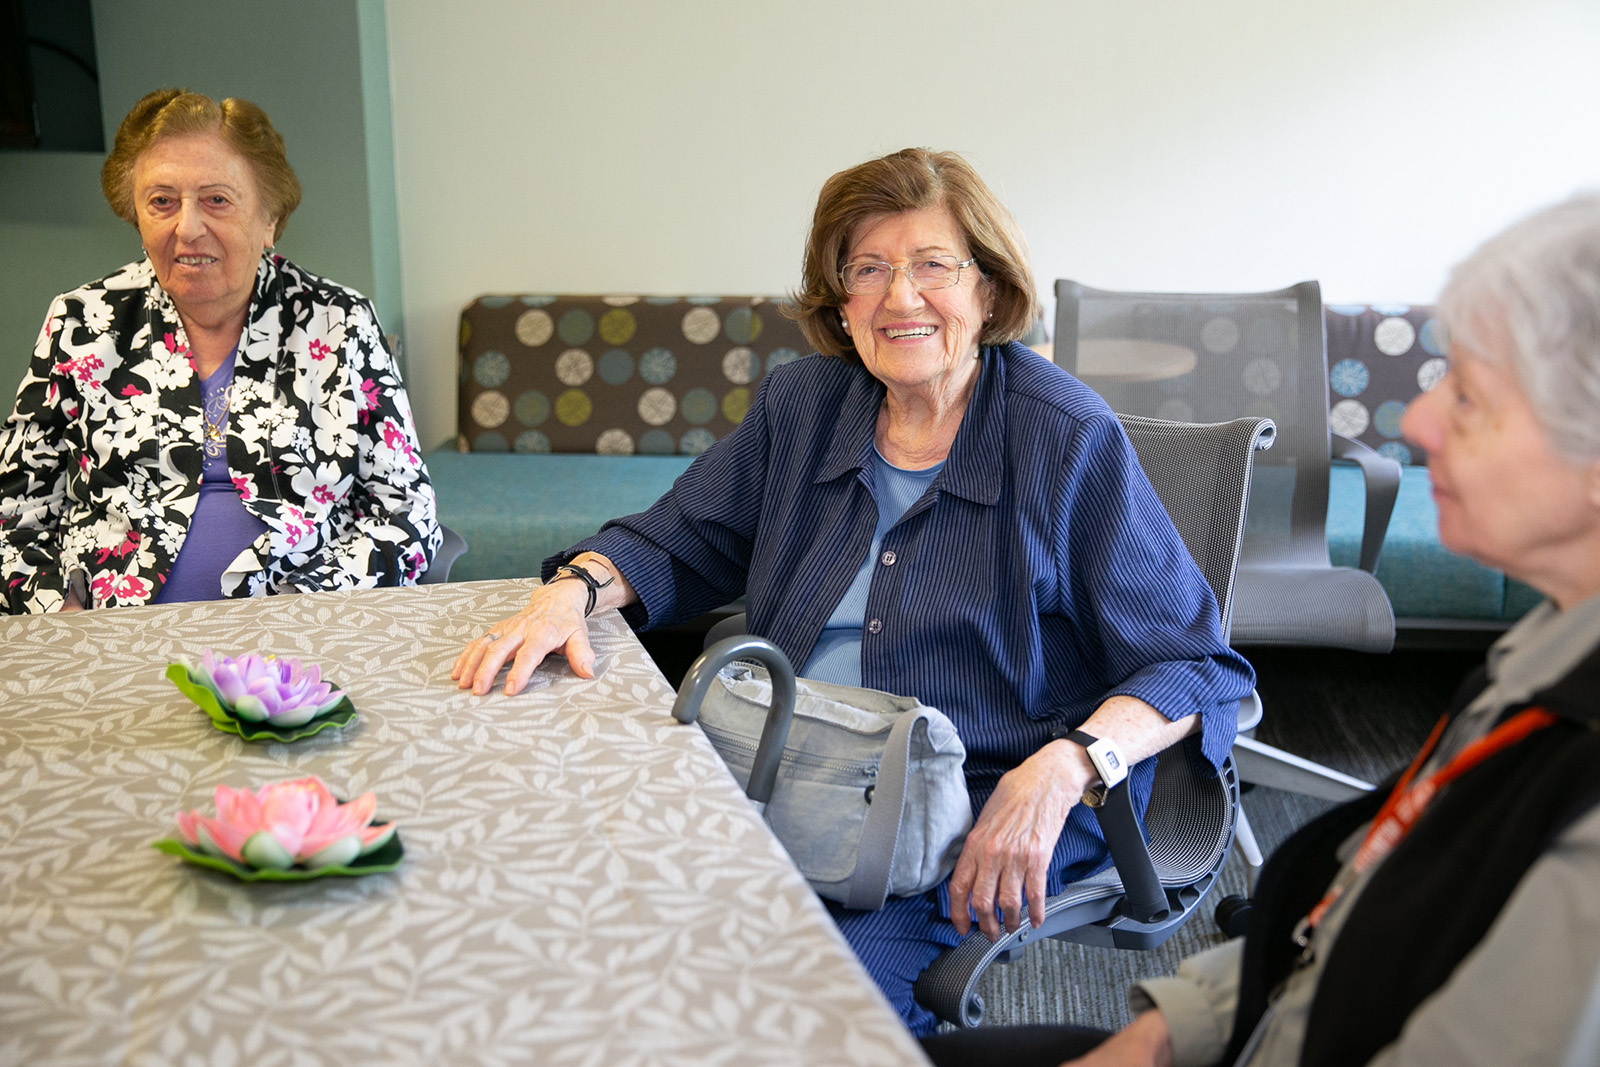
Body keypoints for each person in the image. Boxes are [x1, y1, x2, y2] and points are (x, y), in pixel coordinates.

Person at [452, 147, 1254, 1035]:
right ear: (840, 301)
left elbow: (1197, 665)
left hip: (969, 800)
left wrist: (1066, 765)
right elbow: (680, 536)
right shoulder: (805, 405)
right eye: (867, 269)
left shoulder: (1065, 438)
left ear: (987, 289)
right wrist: (572, 590)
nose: (899, 297)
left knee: (807, 1018)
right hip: (780, 764)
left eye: (932, 266)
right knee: (584, 940)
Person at [922, 195, 1600, 1066]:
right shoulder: (1544, 650)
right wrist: (1173, 1027)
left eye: (1470, 397)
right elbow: (1356, 905)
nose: (1420, 424)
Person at [0, 88, 439, 612]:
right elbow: (13, 508)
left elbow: (406, 514)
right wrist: (67, 619)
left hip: (296, 631)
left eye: (217, 200)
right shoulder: (83, 323)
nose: (187, 228)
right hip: (113, 634)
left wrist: (304, 612)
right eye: (162, 202)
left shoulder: (338, 322)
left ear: (269, 217)